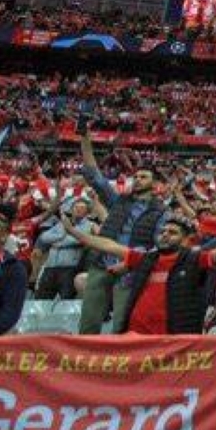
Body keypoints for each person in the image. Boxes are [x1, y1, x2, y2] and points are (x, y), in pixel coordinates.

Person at [63, 215, 216, 334]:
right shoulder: (146, 259)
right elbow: (109, 245)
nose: (165, 234)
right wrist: (74, 232)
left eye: (172, 232)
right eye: (163, 231)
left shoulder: (194, 259)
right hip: (135, 335)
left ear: (185, 239)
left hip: (172, 341)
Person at [79, 132, 167, 334]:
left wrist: (130, 262)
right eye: (136, 177)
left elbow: (158, 247)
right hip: (102, 264)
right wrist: (84, 138)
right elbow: (94, 176)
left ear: (155, 185)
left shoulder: (161, 212)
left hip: (130, 271)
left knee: (121, 325)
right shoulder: (118, 201)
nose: (137, 180)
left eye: (143, 177)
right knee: (88, 323)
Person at [33, 198, 95, 300]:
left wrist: (56, 242)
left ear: (87, 212)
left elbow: (77, 240)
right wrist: (61, 235)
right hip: (50, 267)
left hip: (69, 269)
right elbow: (44, 237)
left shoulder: (89, 225)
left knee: (66, 300)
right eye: (76, 207)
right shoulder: (61, 224)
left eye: (82, 208)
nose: (78, 209)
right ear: (71, 209)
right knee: (40, 300)